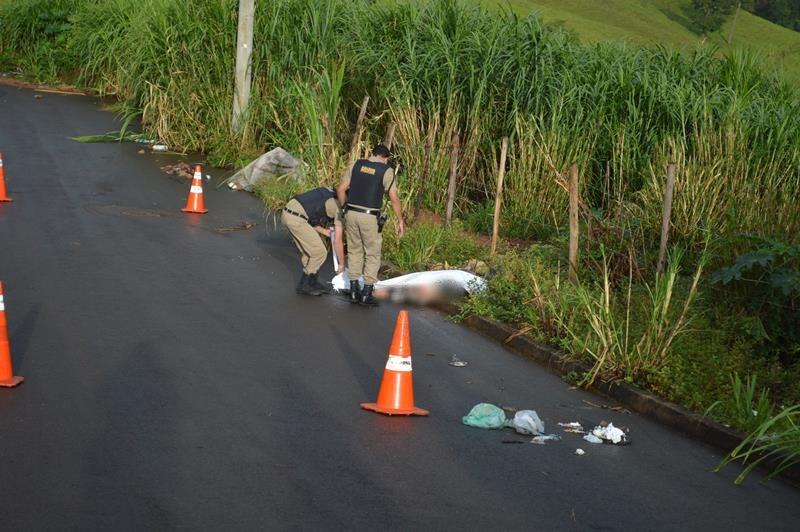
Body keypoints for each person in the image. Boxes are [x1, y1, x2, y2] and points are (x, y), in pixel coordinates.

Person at [337, 144, 404, 306]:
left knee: (354, 250)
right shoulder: (386, 171)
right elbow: (394, 197)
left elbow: (341, 189)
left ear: (372, 154)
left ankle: (354, 291)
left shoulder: (356, 165)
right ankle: (367, 292)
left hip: (351, 213)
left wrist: (345, 209)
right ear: (385, 158)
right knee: (372, 253)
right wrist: (400, 220)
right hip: (370, 216)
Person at [281, 186, 345, 296]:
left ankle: (312, 282)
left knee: (309, 252)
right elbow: (338, 240)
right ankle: (304, 285)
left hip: (288, 213)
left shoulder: (329, 193)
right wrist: (342, 265)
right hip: (297, 219)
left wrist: (325, 231)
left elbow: (310, 211)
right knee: (318, 252)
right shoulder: (341, 208)